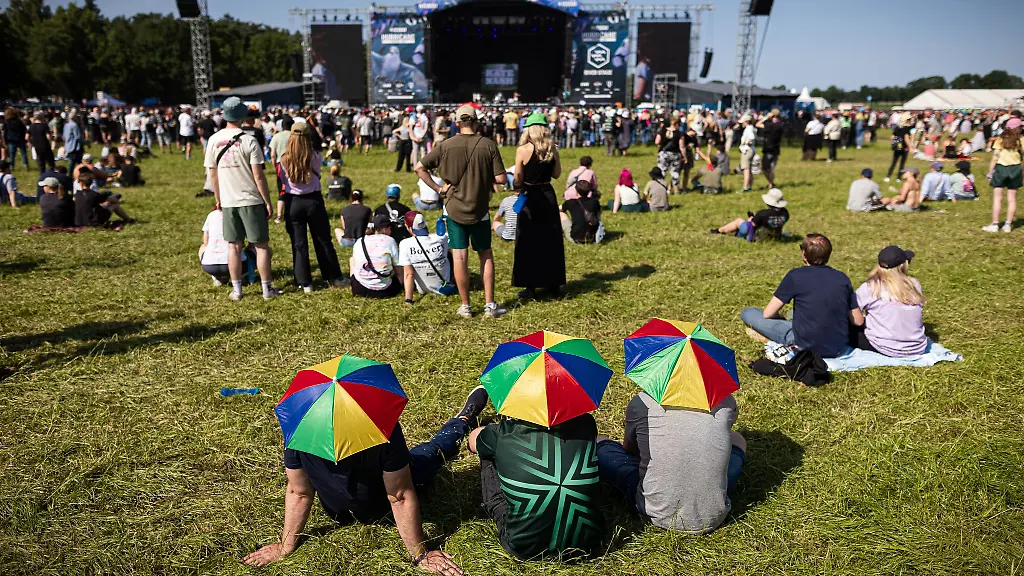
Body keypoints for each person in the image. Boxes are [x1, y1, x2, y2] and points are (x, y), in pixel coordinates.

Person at [242, 387, 489, 575]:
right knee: (432, 450)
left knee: (433, 453)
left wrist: (419, 554)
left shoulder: (298, 428)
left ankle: (463, 420)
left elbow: (400, 496)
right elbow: (299, 492)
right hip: (353, 509)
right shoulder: (300, 434)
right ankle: (461, 422)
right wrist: (285, 547)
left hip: (358, 508)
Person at [596, 391, 744, 534]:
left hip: (654, 511)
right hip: (714, 515)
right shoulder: (725, 401)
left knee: (599, 443)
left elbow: (630, 449)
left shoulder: (642, 402)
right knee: (738, 439)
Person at [467, 412, 605, 560]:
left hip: (524, 546)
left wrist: (486, 431)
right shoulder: (586, 422)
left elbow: (472, 442)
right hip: (589, 542)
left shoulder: (501, 432)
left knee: (486, 452)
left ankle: (498, 503)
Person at [414, 103, 508, 319]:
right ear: (475, 122)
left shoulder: (446, 145)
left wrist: (438, 189)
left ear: (457, 123)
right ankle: (489, 305)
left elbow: (419, 167)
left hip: (453, 207)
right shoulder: (488, 145)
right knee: (485, 254)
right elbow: (502, 179)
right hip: (480, 209)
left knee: (459, 257)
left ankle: (465, 306)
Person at [205, 97, 281, 301]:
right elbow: (258, 175)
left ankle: (237, 290)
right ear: (242, 116)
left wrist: (218, 197)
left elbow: (212, 174)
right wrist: (267, 200)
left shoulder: (213, 140)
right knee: (261, 245)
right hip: (251, 199)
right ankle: (266, 289)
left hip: (228, 201)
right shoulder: (249, 140)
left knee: (233, 245)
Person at [741, 233, 864, 357]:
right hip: (838, 346)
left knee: (748, 312)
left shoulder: (795, 276)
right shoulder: (842, 278)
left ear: (804, 254)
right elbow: (858, 321)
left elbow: (768, 313)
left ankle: (773, 339)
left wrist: (779, 318)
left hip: (804, 344)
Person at [279, 122, 346, 293]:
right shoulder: (315, 156)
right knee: (323, 240)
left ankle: (304, 282)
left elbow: (283, 182)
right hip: (313, 201)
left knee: (298, 244)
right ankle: (333, 276)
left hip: (293, 202)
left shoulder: (284, 158)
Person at [511, 112, 565, 300]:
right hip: (548, 196)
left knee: (528, 241)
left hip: (530, 196)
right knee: (551, 240)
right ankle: (553, 283)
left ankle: (530, 286)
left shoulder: (523, 150)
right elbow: (557, 174)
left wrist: (517, 186)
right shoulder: (553, 149)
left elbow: (518, 176)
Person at [852, 246, 927, 357]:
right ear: (902, 266)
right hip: (917, 347)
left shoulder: (871, 288)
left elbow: (853, 314)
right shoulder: (914, 284)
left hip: (884, 347)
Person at [398, 211, 453, 302]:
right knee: (448, 253)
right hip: (444, 287)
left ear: (409, 228)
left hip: (423, 290)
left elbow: (409, 274)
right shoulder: (442, 238)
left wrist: (408, 300)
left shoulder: (405, 244)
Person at [983, 118, 1022, 233]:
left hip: (1001, 168)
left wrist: (990, 172)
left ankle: (995, 224)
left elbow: (995, 157)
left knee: (997, 198)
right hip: (1016, 168)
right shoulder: (1021, 140)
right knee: (1012, 199)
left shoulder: (1000, 140)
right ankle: (1008, 225)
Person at [350, 213, 402, 298]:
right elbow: (398, 266)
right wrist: (400, 282)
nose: (391, 231)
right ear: (385, 229)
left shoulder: (360, 241)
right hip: (385, 290)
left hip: (360, 289)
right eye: (390, 228)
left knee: (352, 259)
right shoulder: (389, 241)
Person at [710, 187, 790, 241]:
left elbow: (752, 225)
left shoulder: (763, 214)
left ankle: (719, 231)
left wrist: (751, 218)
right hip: (774, 236)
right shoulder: (785, 213)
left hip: (758, 237)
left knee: (739, 221)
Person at [199, 207, 250, 286]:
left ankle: (218, 277)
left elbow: (206, 241)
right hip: (236, 262)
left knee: (203, 247)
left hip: (209, 265)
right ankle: (242, 276)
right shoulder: (238, 213)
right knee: (259, 249)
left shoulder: (211, 215)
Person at [561, 179, 603, 244]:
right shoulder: (595, 202)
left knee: (561, 213)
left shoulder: (570, 202)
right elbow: (599, 214)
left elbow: (559, 209)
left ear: (576, 191)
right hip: (591, 237)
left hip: (575, 238)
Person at [655, 117, 684, 193]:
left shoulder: (662, 131)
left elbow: (657, 142)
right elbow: (682, 147)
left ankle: (659, 188)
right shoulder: (679, 133)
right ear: (677, 124)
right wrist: (685, 157)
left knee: (662, 171)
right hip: (675, 154)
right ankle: (676, 190)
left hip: (663, 154)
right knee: (675, 173)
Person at [757, 109, 783, 188]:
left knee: (765, 168)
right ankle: (771, 183)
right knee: (771, 168)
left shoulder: (770, 125)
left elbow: (758, 124)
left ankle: (770, 183)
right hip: (776, 148)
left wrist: (766, 117)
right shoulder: (781, 125)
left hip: (768, 148)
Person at [885, 116, 913, 182]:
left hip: (897, 147)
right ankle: (898, 177)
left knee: (894, 162)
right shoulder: (907, 129)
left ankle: (888, 176)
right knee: (902, 163)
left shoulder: (897, 128)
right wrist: (910, 147)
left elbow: (892, 136)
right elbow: (906, 138)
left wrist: (893, 144)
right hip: (904, 148)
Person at [738, 114, 756, 192]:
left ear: (746, 122)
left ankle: (745, 187)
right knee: (749, 169)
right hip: (751, 150)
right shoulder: (752, 128)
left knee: (746, 169)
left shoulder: (749, 129)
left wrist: (747, 142)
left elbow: (752, 137)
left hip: (747, 150)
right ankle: (749, 186)